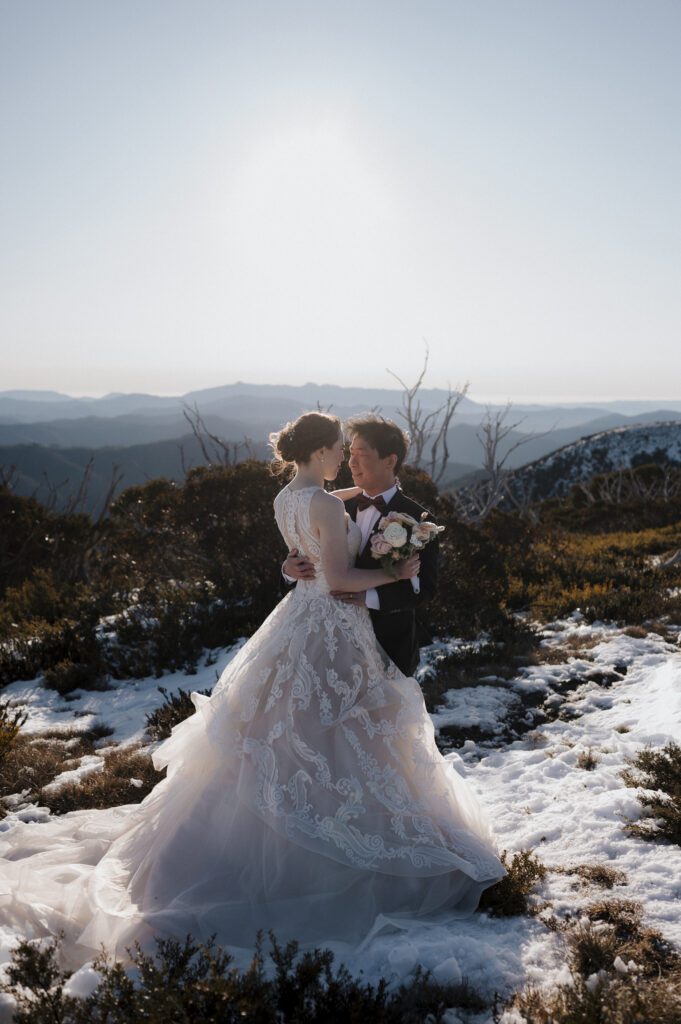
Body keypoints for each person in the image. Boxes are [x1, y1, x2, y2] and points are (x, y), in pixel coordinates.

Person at [0, 411, 504, 974]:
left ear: (389, 460)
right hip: (333, 633)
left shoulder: (303, 498)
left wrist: (311, 569)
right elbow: (337, 576)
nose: (348, 457)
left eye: (357, 450)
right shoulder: (331, 503)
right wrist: (384, 571)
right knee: (327, 737)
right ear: (320, 451)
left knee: (298, 735)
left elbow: (360, 560)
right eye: (342, 448)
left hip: (324, 631)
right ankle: (327, 864)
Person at [282, 415, 439, 677]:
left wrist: (370, 598)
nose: (351, 463)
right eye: (349, 453)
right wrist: (287, 570)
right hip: (329, 645)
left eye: (361, 455)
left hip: (389, 646)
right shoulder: (334, 505)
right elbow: (310, 559)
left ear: (390, 461)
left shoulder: (417, 519)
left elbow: (423, 589)